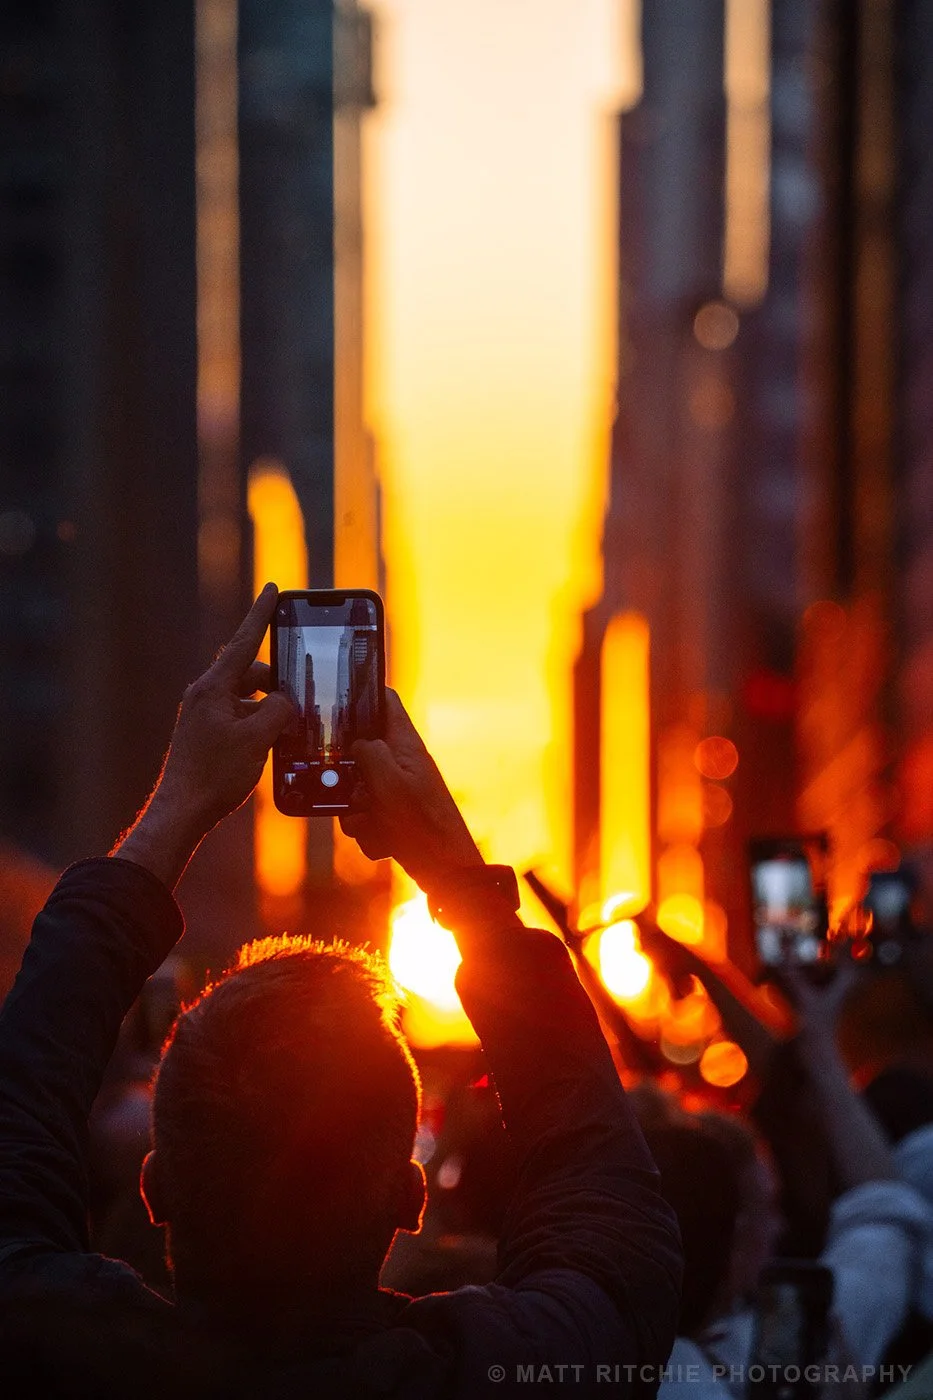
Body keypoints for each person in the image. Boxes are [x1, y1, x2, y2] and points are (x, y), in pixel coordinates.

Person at [0, 584, 682, 1398]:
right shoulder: (518, 1365)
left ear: (155, 1188)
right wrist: (465, 887)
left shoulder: (52, 1352)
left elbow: (21, 1106)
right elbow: (602, 1210)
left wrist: (175, 808)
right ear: (410, 1195)